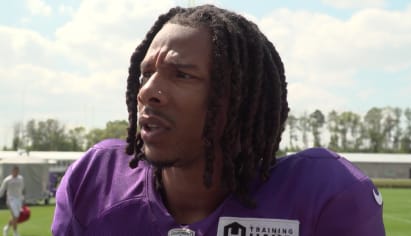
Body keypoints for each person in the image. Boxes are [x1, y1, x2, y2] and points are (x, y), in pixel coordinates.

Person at [52, 4, 385, 236]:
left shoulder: (323, 194)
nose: (148, 92)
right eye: (146, 74)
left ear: (236, 99)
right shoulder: (95, 182)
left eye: (181, 75)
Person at [0, 166, 24, 236]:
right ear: (12, 171)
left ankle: (6, 228)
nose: (16, 172)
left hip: (18, 199)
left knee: (16, 217)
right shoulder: (7, 180)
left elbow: (21, 188)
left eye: (17, 171)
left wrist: (22, 198)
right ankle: (15, 232)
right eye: (15, 171)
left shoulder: (21, 178)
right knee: (15, 215)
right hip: (11, 199)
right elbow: (2, 190)